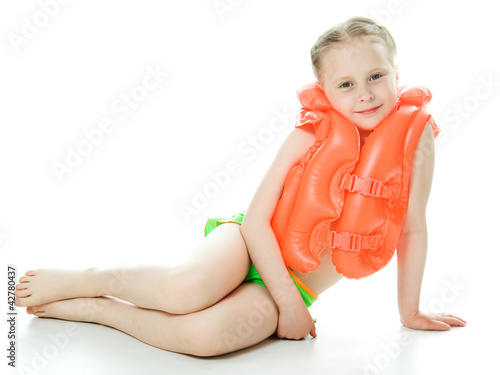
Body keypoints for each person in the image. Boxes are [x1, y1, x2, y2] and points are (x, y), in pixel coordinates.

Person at [15, 16, 466, 357]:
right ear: (324, 91)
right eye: (346, 84)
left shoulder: (414, 139)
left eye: (376, 76)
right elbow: (254, 221)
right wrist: (288, 306)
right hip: (248, 243)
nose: (365, 94)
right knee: (184, 292)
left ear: (395, 72)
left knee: (206, 338)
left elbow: (412, 228)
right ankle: (89, 279)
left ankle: (101, 310)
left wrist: (409, 313)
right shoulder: (310, 135)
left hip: (297, 285)